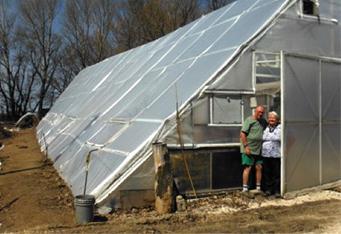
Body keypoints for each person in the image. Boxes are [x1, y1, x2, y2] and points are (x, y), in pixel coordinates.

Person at [240, 105, 267, 193]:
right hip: (249, 148)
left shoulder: (263, 121)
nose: (261, 114)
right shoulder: (249, 120)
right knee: (248, 167)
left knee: (259, 167)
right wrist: (246, 146)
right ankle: (245, 189)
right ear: (255, 111)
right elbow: (242, 134)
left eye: (262, 112)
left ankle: (258, 188)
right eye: (259, 112)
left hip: (258, 149)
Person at [262, 111, 281, 198]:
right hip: (266, 154)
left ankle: (276, 190)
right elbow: (263, 138)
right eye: (270, 118)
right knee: (267, 173)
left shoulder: (280, 128)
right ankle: (268, 190)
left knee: (276, 174)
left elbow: (282, 138)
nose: (271, 119)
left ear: (277, 120)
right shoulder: (266, 128)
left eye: (273, 118)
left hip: (276, 154)